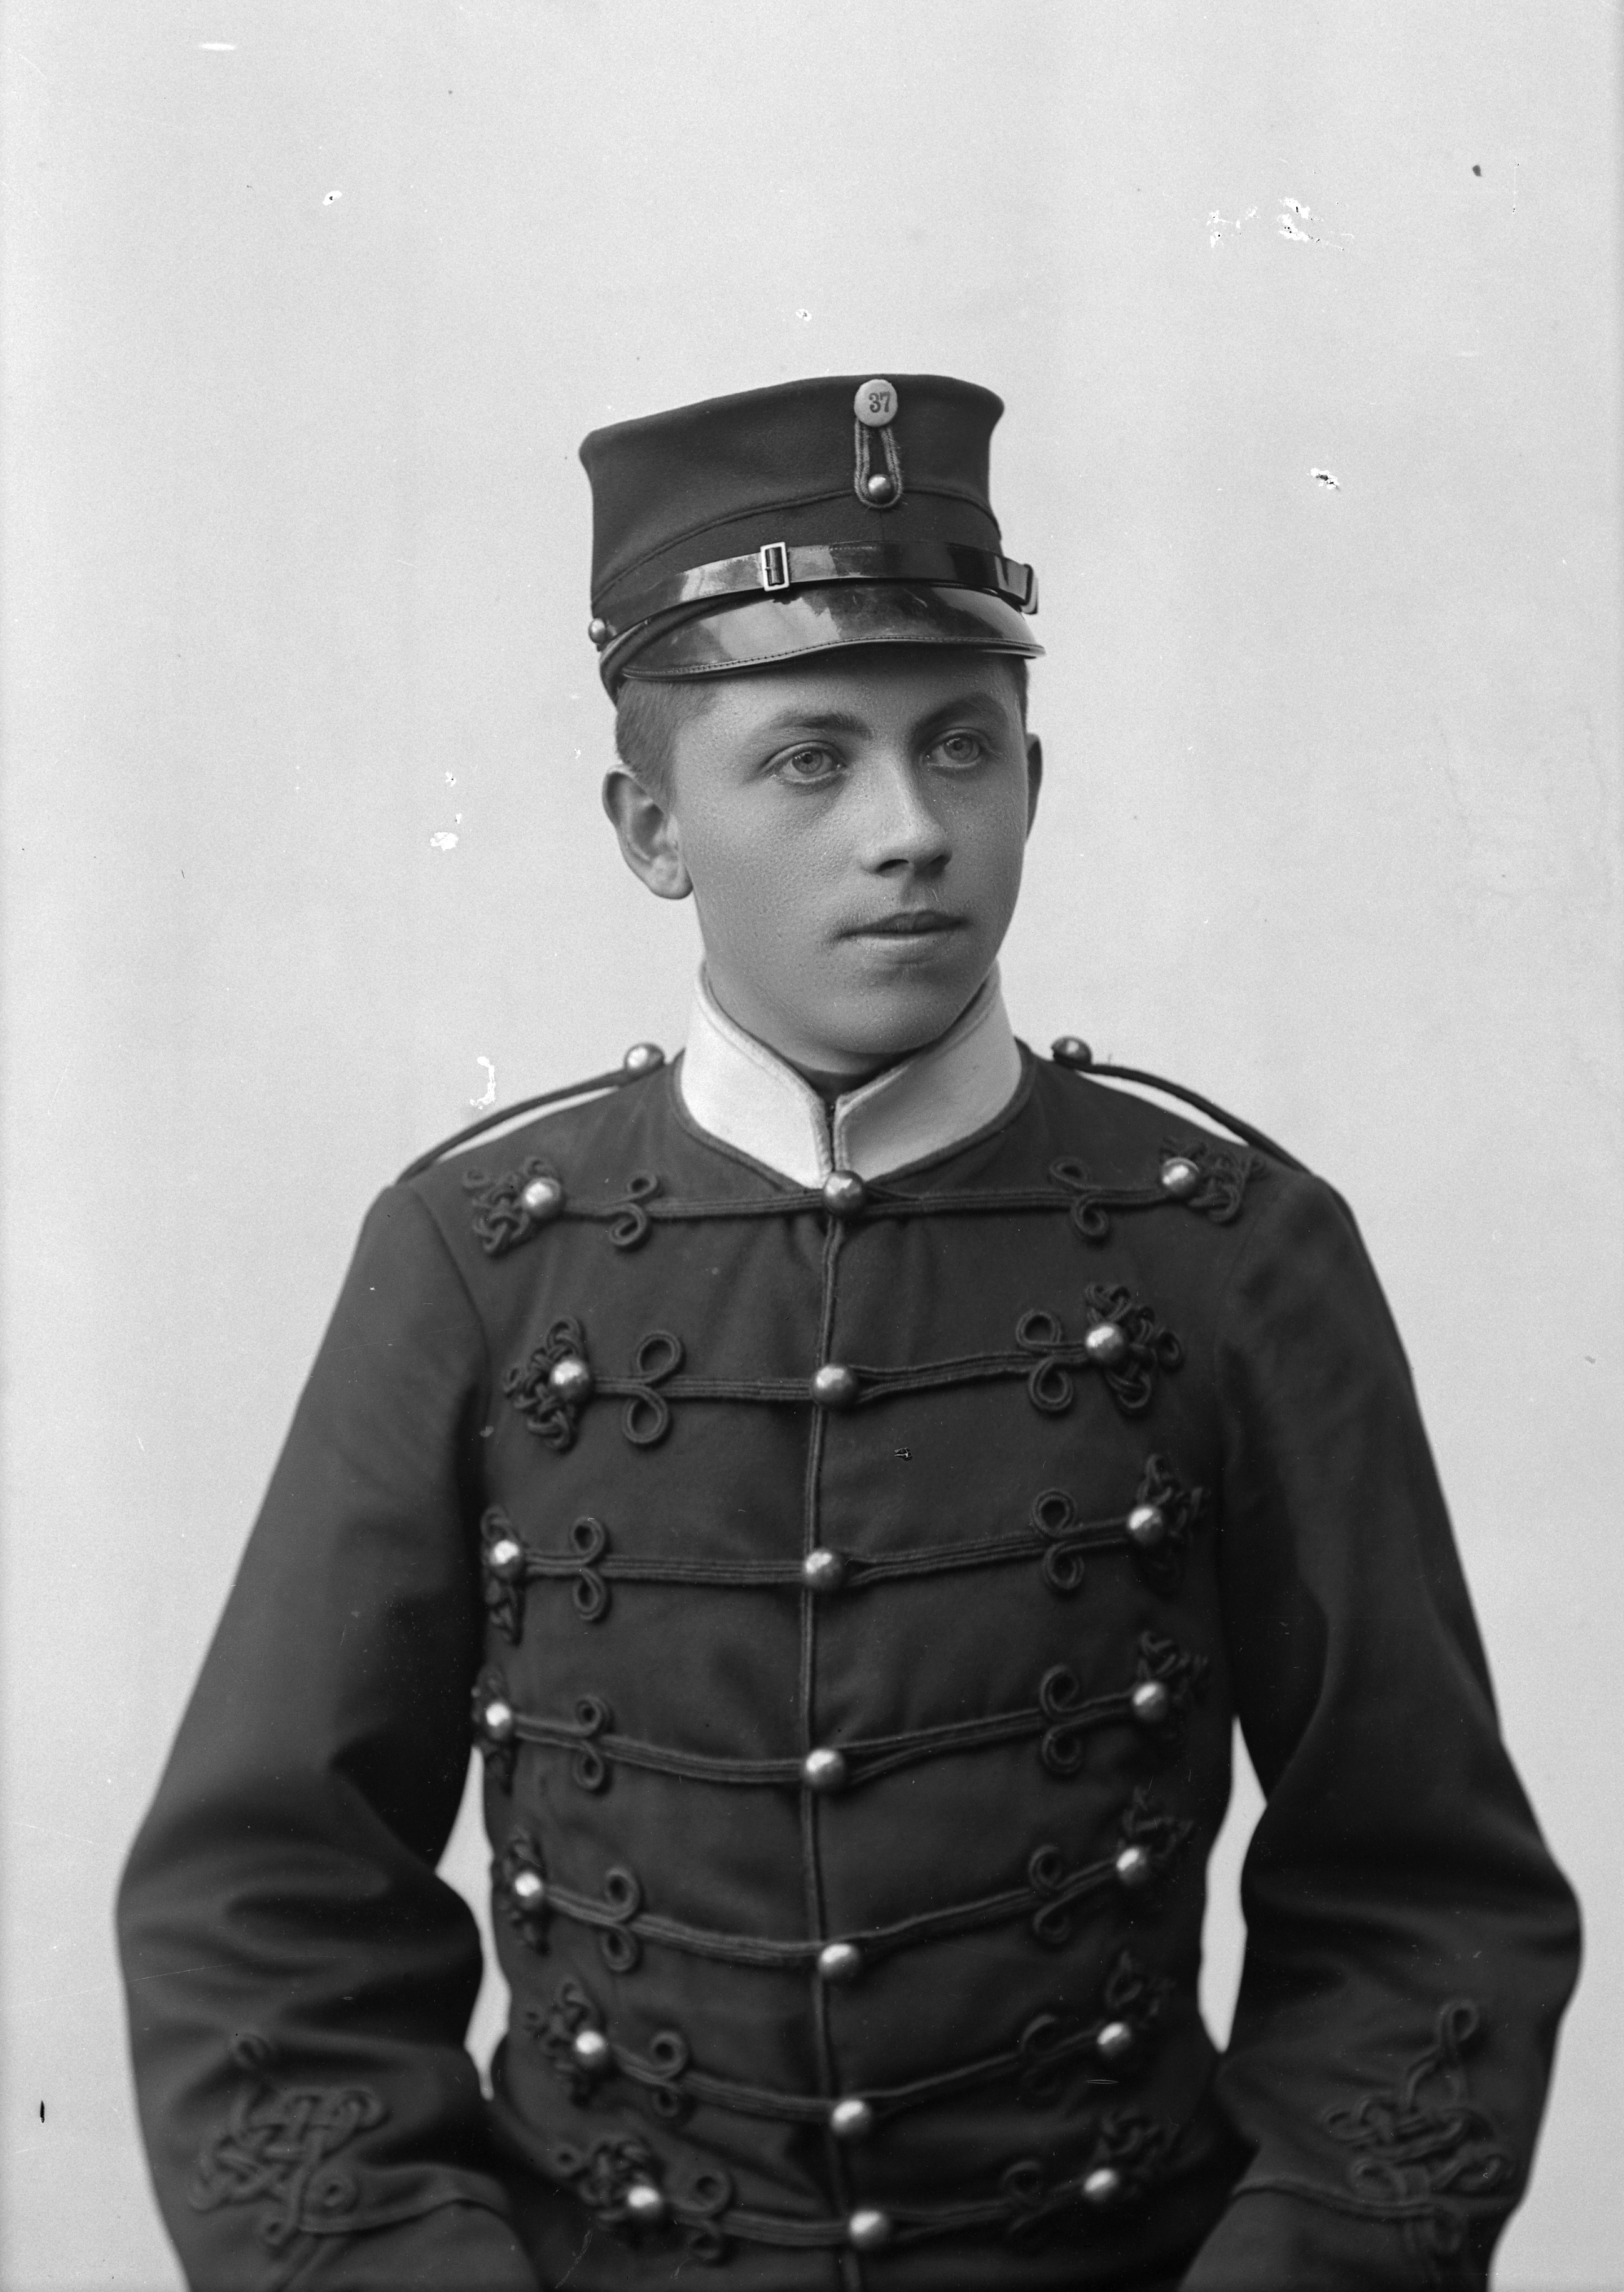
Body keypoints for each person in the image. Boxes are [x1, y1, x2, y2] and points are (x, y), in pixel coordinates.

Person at [118, 373, 1580, 2292]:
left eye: (962, 746)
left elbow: (1422, 1899)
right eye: (810, 761)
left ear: (1036, 780)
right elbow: (263, 1904)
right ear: (653, 827)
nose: (910, 832)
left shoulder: (1234, 1252)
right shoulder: (477, 1260)